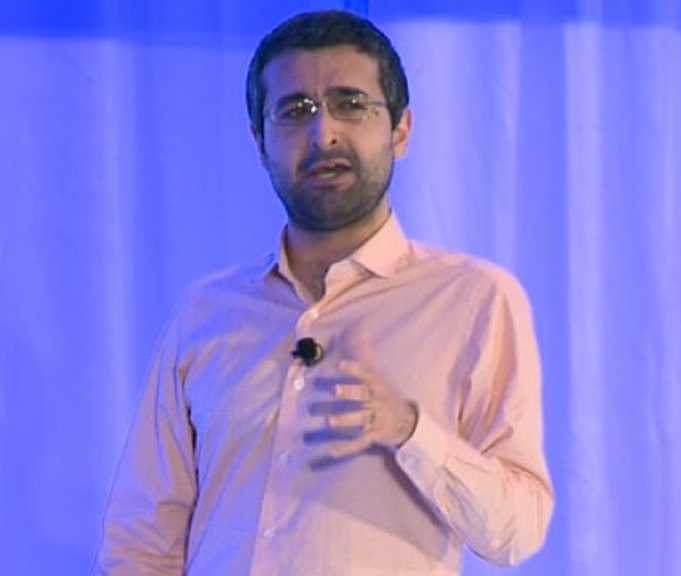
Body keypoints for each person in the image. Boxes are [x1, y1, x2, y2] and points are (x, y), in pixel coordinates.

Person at [95, 10, 553, 575]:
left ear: (401, 130)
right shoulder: (206, 312)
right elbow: (143, 536)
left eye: (351, 104)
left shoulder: (473, 300)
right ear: (259, 143)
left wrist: (410, 432)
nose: (323, 133)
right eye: (295, 111)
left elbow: (517, 529)